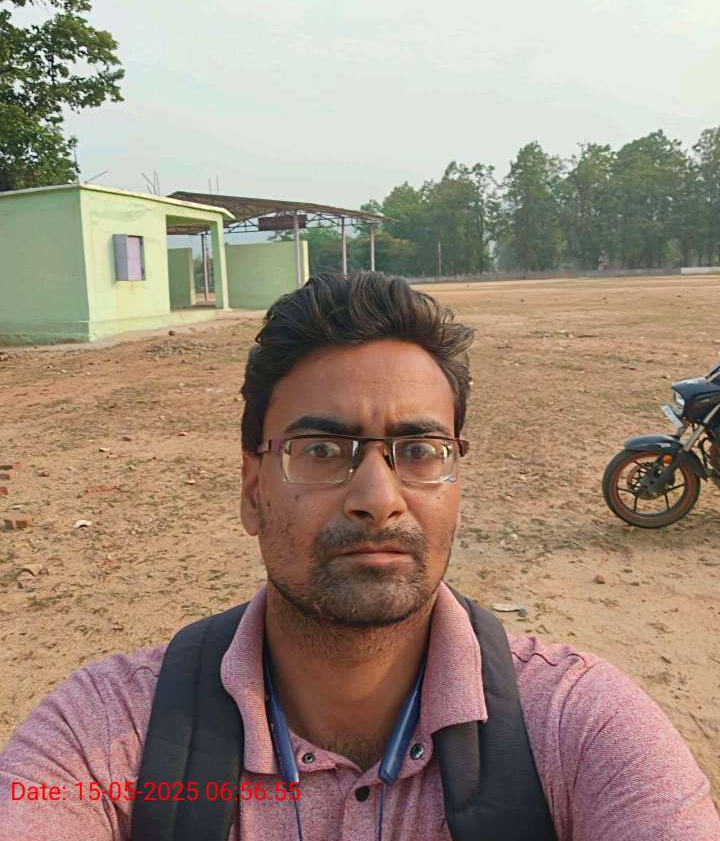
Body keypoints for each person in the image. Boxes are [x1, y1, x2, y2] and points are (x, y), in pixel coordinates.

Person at [0, 271, 718, 841]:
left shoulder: (577, 726)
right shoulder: (107, 733)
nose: (378, 498)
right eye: (320, 450)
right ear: (252, 491)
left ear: (456, 484)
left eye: (420, 451)